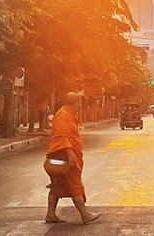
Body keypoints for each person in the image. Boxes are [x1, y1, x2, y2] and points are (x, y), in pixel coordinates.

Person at [45, 92, 101, 225]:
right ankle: (85, 214)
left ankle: (50, 214)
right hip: (64, 155)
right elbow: (61, 135)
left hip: (62, 154)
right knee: (75, 184)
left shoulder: (65, 113)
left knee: (58, 185)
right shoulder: (64, 115)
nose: (79, 106)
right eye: (78, 103)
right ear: (76, 103)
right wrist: (70, 153)